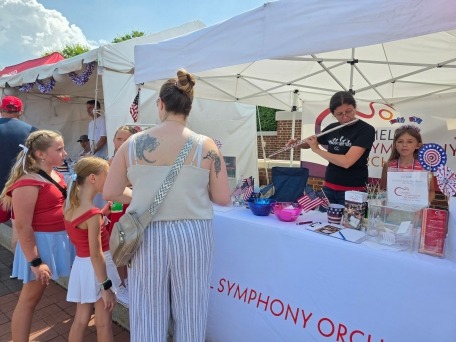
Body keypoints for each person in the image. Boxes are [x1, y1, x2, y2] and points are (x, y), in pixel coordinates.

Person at [103, 68, 231, 341]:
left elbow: (111, 192)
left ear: (160, 104)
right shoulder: (205, 145)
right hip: (194, 234)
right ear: (189, 106)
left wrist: (140, 197)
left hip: (147, 232)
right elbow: (223, 198)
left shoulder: (132, 143)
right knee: (192, 309)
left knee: (148, 311)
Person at [0, 129, 74, 341]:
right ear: (41, 154)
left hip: (51, 241)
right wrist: (35, 261)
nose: (65, 153)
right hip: (40, 246)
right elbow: (23, 227)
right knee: (29, 300)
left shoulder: (55, 174)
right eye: (59, 149)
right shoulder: (28, 182)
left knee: (33, 298)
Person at [64, 156, 120, 342]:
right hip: (98, 269)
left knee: (80, 320)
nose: (109, 180)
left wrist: (102, 214)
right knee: (103, 323)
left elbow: (82, 232)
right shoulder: (92, 214)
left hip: (82, 266)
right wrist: (105, 286)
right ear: (93, 178)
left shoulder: (71, 207)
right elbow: (96, 254)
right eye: (107, 175)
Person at [287, 91, 375, 205]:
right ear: (333, 114)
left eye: (348, 111)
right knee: (325, 222)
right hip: (329, 187)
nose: (345, 117)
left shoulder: (366, 130)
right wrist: (297, 144)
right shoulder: (332, 128)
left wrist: (317, 150)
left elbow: (347, 162)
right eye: (339, 114)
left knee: (348, 223)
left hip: (353, 190)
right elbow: (311, 142)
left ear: (355, 108)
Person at [0, 96, 37, 225]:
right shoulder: (32, 131)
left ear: (1, 109)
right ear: (20, 111)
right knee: (19, 226)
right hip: (21, 187)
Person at [380, 125, 435, 202]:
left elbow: (431, 191)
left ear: (418, 145)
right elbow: (383, 190)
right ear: (395, 145)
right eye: (400, 141)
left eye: (410, 142)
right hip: (393, 210)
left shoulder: (425, 166)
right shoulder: (389, 165)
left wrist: (424, 203)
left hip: (417, 210)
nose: (404, 145)